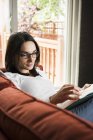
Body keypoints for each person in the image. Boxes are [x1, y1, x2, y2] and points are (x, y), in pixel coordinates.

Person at [4, 31, 81, 105]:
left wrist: (80, 91)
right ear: (12, 55)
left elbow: (51, 91)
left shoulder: (39, 72)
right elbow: (21, 109)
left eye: (34, 53)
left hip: (62, 107)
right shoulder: (10, 78)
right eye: (24, 55)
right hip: (50, 114)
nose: (31, 59)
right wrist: (52, 100)